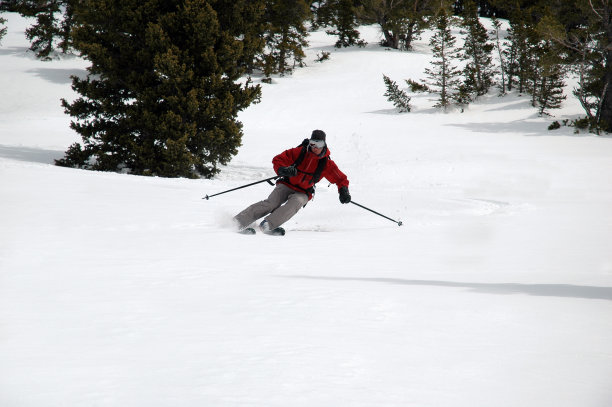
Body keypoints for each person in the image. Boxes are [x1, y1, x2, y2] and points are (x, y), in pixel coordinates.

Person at [233, 130, 351, 235]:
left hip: (304, 192)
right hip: (287, 184)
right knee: (271, 203)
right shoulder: (299, 152)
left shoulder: (326, 164)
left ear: (324, 145)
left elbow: (341, 179)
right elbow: (278, 159)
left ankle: (267, 225)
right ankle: (238, 222)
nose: (314, 147)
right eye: (312, 143)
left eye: (318, 144)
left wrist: (343, 191)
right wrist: (283, 169)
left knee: (296, 202)